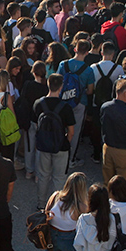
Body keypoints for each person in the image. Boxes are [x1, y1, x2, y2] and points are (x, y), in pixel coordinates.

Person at [33, 74, 75, 207]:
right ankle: (57, 205)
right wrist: (66, 142)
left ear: (48, 84)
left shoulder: (39, 104)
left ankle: (41, 204)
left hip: (43, 145)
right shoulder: (66, 107)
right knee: (59, 177)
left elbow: (35, 126)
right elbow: (71, 131)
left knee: (43, 175)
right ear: (61, 87)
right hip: (60, 145)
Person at [99, 77, 126, 193]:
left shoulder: (105, 107)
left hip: (108, 148)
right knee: (123, 184)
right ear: (125, 93)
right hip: (123, 152)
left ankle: (107, 204)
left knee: (108, 181)